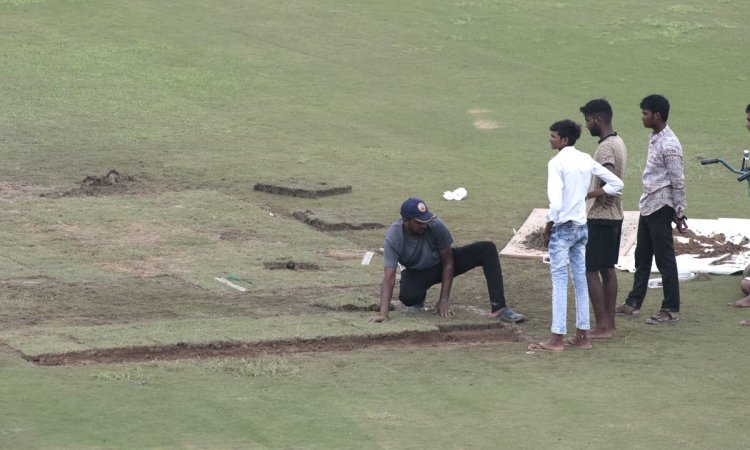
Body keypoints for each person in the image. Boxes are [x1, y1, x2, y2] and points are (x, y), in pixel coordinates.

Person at [528, 120, 624, 352]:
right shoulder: (584, 159)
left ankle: (557, 339)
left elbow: (556, 203)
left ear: (564, 140)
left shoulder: (556, 163)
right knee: (580, 280)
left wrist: (548, 227)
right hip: (582, 228)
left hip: (563, 229)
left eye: (553, 136)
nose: (550, 139)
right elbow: (616, 183)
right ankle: (582, 336)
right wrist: (590, 194)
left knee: (560, 282)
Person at [369, 197, 525, 323]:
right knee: (408, 297)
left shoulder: (436, 225)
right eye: (418, 222)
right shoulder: (394, 236)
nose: (424, 225)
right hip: (417, 271)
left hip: (443, 263)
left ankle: (499, 308)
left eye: (425, 221)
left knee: (487, 248)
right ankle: (419, 298)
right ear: (405, 220)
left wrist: (444, 299)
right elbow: (389, 277)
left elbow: (449, 262)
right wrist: (384, 313)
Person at [615, 94, 688, 324]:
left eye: (645, 113)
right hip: (648, 205)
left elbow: (678, 180)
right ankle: (633, 302)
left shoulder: (670, 144)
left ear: (657, 115)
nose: (642, 117)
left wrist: (680, 211)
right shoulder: (656, 137)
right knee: (642, 256)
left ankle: (670, 308)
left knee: (665, 259)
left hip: (661, 206)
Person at [579, 99, 628, 339]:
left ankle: (602, 326)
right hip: (615, 216)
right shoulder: (618, 142)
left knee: (589, 270)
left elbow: (609, 180)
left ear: (598, 120)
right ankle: (609, 323)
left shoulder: (606, 148)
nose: (586, 125)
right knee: (608, 270)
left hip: (600, 216)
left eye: (588, 121)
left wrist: (588, 193)